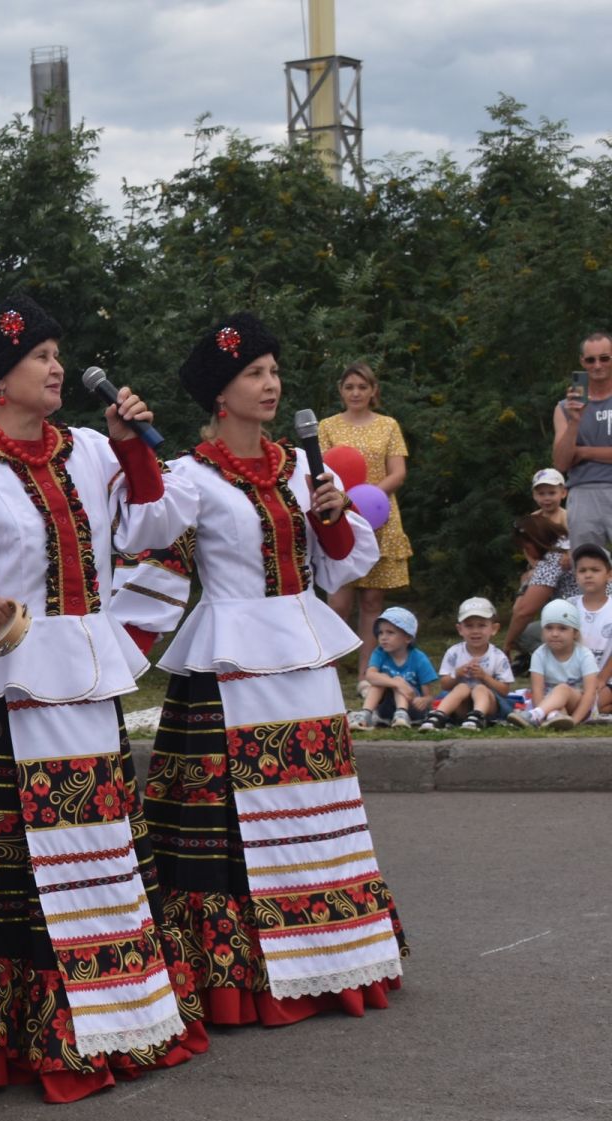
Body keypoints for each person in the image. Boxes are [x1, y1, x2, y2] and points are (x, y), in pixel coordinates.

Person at [0, 293, 206, 1104]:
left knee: (93, 852)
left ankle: (115, 1017)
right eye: (41, 357)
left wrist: (135, 448)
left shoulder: (93, 450)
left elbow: (153, 527)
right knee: (0, 868)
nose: (58, 367)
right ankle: (0, 1040)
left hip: (76, 678)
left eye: (60, 354)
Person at [143, 311, 404, 1029]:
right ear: (220, 397)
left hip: (301, 650)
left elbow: (339, 563)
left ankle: (333, 956)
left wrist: (328, 515)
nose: (272, 384)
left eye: (274, 371)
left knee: (317, 809)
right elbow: (148, 539)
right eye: (255, 374)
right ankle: (238, 978)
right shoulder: (190, 478)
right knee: (230, 819)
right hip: (228, 658)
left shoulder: (300, 467)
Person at [319, 362, 412, 678]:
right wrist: (346, 501)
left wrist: (366, 498)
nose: (356, 392)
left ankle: (366, 676)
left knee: (372, 601)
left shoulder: (388, 425)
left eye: (362, 387)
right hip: (339, 516)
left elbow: (398, 472)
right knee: (339, 600)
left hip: (378, 517)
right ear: (340, 391)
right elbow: (320, 471)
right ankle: (325, 670)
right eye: (349, 387)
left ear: (373, 391)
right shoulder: (328, 426)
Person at [552, 331, 612, 550]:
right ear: (582, 362)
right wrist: (575, 421)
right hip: (582, 492)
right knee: (587, 570)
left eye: (604, 358)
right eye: (590, 360)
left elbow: (574, 456)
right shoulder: (563, 409)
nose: (597, 365)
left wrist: (584, 452)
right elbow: (561, 463)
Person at [420, 598, 514, 730]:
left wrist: (484, 677)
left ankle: (477, 716)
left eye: (481, 625)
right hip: (460, 707)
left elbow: (504, 690)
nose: (475, 631)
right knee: (462, 687)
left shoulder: (498, 656)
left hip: (489, 706)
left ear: (494, 629)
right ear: (460, 629)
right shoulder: (454, 653)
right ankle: (438, 716)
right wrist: (457, 674)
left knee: (480, 688)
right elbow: (444, 684)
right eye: (469, 626)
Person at [501, 513, 578, 658]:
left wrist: (506, 645)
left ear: (533, 542)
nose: (525, 552)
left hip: (578, 619)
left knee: (519, 634)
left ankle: (560, 660)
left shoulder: (552, 561)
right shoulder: (568, 546)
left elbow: (523, 612)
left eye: (525, 547)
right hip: (596, 611)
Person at [352, 605, 438, 729]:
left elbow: (428, 696)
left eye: (390, 632)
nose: (383, 637)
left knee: (397, 679)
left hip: (412, 707)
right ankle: (365, 714)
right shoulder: (379, 652)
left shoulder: (419, 658)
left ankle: (402, 715)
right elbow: (370, 675)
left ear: (407, 638)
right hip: (386, 708)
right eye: (380, 632)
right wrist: (396, 684)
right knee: (380, 680)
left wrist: (425, 700)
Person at [508, 599, 590, 729]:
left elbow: (590, 693)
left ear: (574, 633)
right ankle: (554, 717)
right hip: (548, 703)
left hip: (578, 704)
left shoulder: (584, 654)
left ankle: (534, 715)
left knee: (563, 688)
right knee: (556, 706)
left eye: (562, 628)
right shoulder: (539, 654)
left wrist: (575, 720)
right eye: (549, 627)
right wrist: (547, 709)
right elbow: (537, 690)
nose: (555, 634)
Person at [565, 543, 612, 717]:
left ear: (609, 575)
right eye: (582, 571)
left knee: (593, 703)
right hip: (575, 680)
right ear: (576, 576)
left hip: (606, 679)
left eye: (595, 570)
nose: (588, 575)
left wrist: (602, 679)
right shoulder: (569, 606)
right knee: (580, 702)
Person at [531, 467, 570, 535]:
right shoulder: (534, 517)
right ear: (534, 496)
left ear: (563, 493)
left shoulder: (566, 517)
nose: (547, 498)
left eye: (552, 493)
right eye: (541, 494)